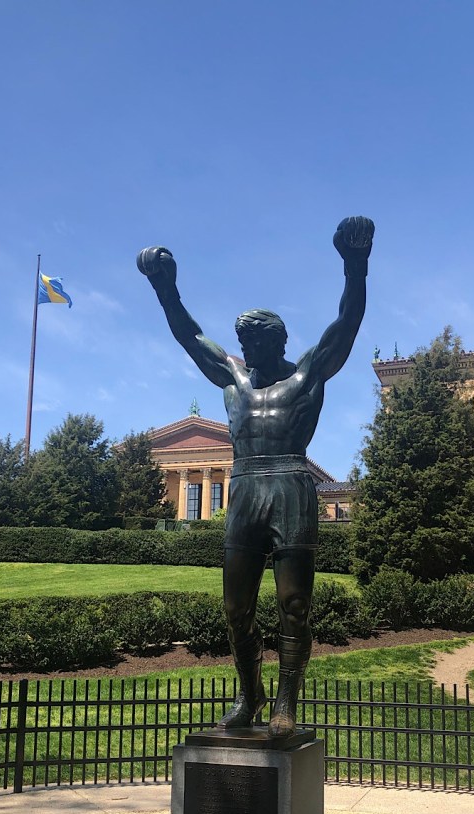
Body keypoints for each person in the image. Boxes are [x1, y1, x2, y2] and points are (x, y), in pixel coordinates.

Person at [137, 215, 374, 738]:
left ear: (278, 341)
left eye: (255, 341)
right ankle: (250, 694)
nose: (246, 348)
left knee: (294, 604)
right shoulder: (233, 379)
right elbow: (190, 336)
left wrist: (355, 264)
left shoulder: (308, 373)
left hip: (290, 485)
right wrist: (164, 287)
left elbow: (347, 323)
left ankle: (286, 701)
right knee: (234, 607)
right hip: (244, 489)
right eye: (242, 339)